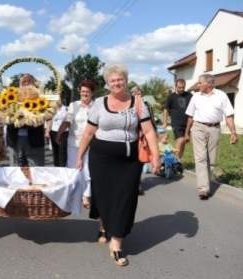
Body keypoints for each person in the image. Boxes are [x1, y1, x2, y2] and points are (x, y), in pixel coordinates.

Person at [76, 64, 160, 266]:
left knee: (125, 198)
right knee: (104, 195)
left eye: (120, 79)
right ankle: (104, 224)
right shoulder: (99, 103)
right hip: (101, 159)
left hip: (129, 161)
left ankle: (116, 243)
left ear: (126, 80)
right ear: (107, 83)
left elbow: (148, 132)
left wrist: (155, 156)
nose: (116, 83)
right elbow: (88, 132)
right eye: (112, 80)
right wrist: (80, 156)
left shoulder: (139, 104)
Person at [184, 74, 237, 200]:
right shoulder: (196, 97)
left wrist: (233, 132)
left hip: (215, 128)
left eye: (200, 83)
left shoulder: (221, 95)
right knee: (200, 158)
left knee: (211, 160)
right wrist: (187, 132)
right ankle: (203, 189)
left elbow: (228, 115)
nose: (198, 85)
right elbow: (190, 116)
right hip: (198, 127)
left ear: (209, 84)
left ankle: (206, 181)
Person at [56, 80, 95, 208]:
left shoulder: (97, 106)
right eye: (82, 91)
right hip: (74, 143)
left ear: (92, 93)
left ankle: (86, 195)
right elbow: (67, 121)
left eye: (87, 92)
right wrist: (59, 133)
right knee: (73, 169)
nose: (84, 94)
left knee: (88, 169)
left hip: (91, 143)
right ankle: (73, 195)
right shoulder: (74, 105)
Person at [6, 74, 45, 166]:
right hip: (14, 140)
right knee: (15, 171)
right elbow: (5, 116)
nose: (26, 84)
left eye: (29, 82)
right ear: (19, 85)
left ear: (34, 85)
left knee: (36, 171)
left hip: (35, 140)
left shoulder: (41, 98)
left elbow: (45, 115)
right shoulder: (10, 97)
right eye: (24, 82)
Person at [163, 79, 193, 158]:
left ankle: (178, 160)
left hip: (187, 124)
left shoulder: (189, 95)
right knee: (180, 140)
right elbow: (166, 109)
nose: (181, 89)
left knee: (183, 142)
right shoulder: (171, 96)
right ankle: (175, 160)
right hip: (176, 123)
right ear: (175, 86)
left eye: (183, 87)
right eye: (179, 87)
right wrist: (165, 122)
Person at [47, 101, 68, 166]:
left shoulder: (66, 109)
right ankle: (56, 167)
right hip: (53, 132)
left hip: (63, 133)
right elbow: (49, 120)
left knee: (62, 153)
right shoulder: (51, 109)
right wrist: (47, 131)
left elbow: (68, 122)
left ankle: (62, 168)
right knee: (55, 152)